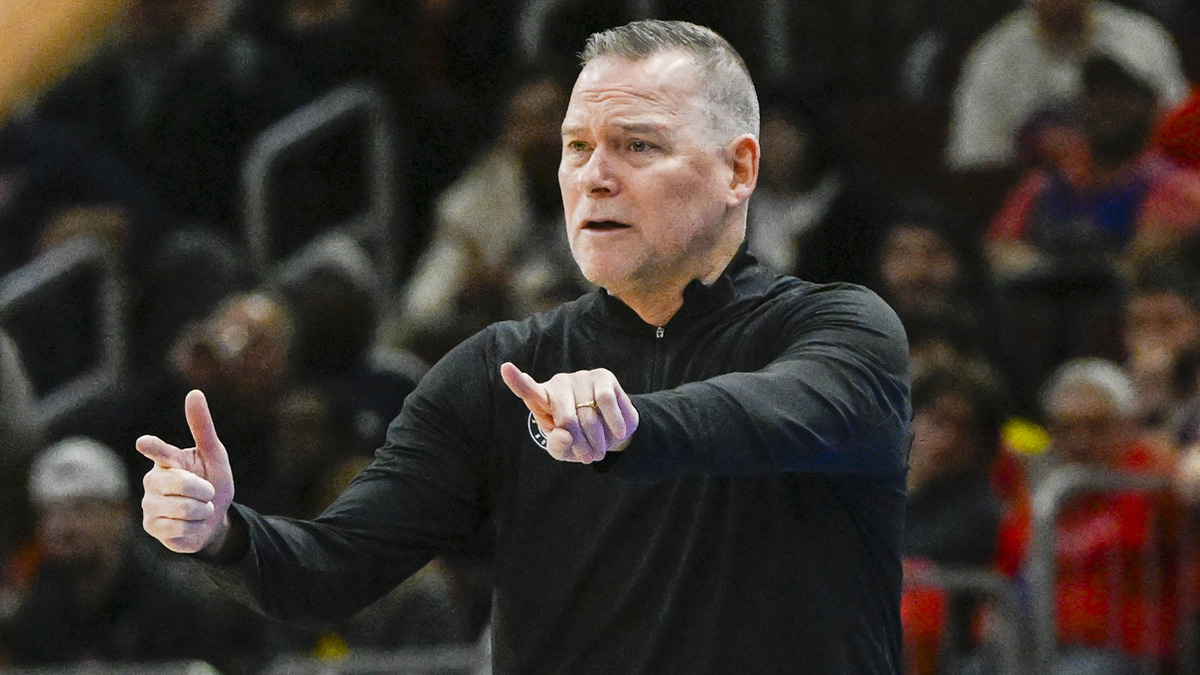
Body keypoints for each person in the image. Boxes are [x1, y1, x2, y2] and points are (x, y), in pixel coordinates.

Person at [136, 20, 912, 674]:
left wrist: (634, 424)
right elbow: (334, 566)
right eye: (578, 148)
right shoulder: (500, 368)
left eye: (637, 146)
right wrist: (225, 533)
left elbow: (776, 411)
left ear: (739, 168)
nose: (594, 177)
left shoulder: (843, 330)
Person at [945, 0, 1188, 171]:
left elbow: (1179, 132)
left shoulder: (1142, 39)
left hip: (1138, 186)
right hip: (1033, 196)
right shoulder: (994, 55)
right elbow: (974, 156)